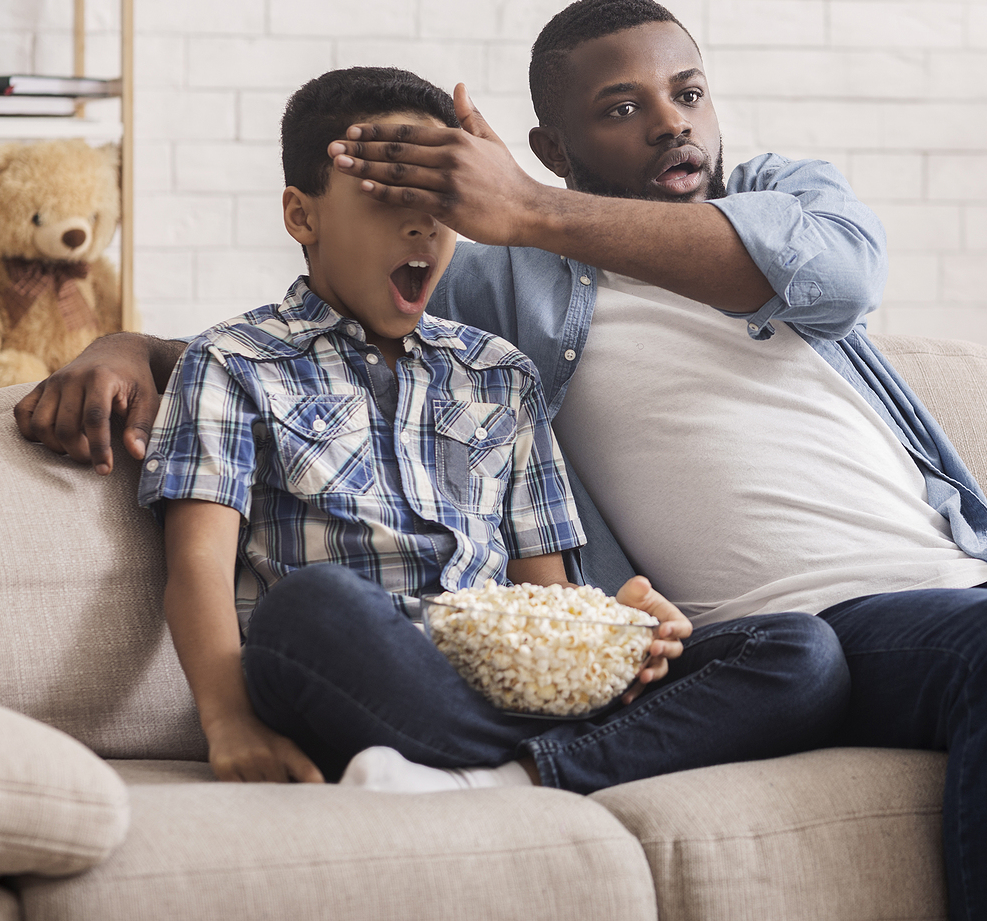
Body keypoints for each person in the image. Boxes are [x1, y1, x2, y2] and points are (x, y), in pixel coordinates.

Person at [20, 0, 987, 921]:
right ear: (551, 143)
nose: (673, 122)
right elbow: (320, 335)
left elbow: (838, 274)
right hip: (827, 626)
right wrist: (124, 345)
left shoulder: (784, 203)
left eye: (687, 91)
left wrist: (539, 209)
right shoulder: (506, 282)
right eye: (623, 108)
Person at [137, 65, 850, 794]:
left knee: (802, 652)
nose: (422, 224)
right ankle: (577, 755)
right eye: (389, 197)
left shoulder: (500, 373)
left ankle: (508, 776)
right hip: (360, 667)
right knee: (307, 609)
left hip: (505, 680)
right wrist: (228, 722)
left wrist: (611, 636)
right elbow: (198, 567)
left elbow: (544, 598)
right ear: (302, 216)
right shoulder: (232, 363)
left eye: (441, 201)